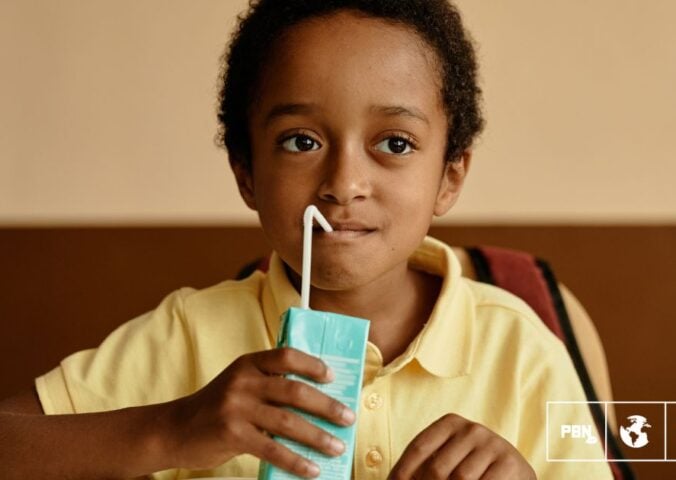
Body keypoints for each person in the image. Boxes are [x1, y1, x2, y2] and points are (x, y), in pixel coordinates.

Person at [0, 0, 613, 478]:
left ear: (449, 178)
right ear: (246, 173)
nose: (344, 184)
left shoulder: (521, 351)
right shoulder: (188, 337)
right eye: (301, 141)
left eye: (394, 144)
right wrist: (174, 428)